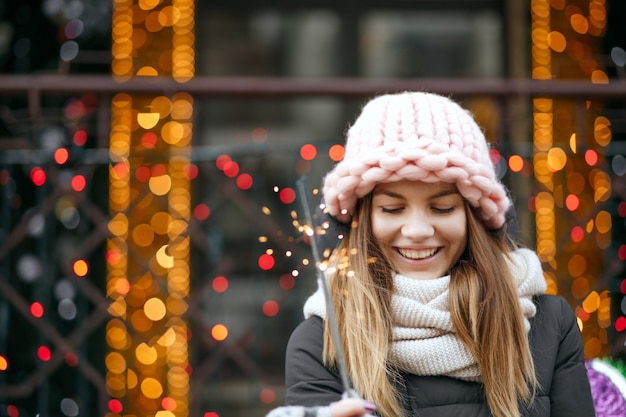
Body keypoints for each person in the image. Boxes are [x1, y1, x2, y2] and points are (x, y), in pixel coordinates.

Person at [267, 91, 596, 417]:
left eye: (442, 208)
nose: (418, 230)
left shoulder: (549, 324)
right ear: (361, 219)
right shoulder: (321, 341)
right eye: (393, 208)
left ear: (474, 216)